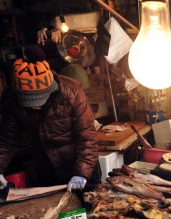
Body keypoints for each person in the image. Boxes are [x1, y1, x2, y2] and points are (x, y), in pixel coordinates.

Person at [0, 45, 99, 191]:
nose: (35, 107)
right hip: (46, 170)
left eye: (39, 100)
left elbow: (87, 139)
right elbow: (7, 141)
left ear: (51, 89)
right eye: (29, 102)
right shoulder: (11, 99)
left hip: (80, 166)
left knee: (89, 208)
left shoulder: (72, 93)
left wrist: (81, 173)